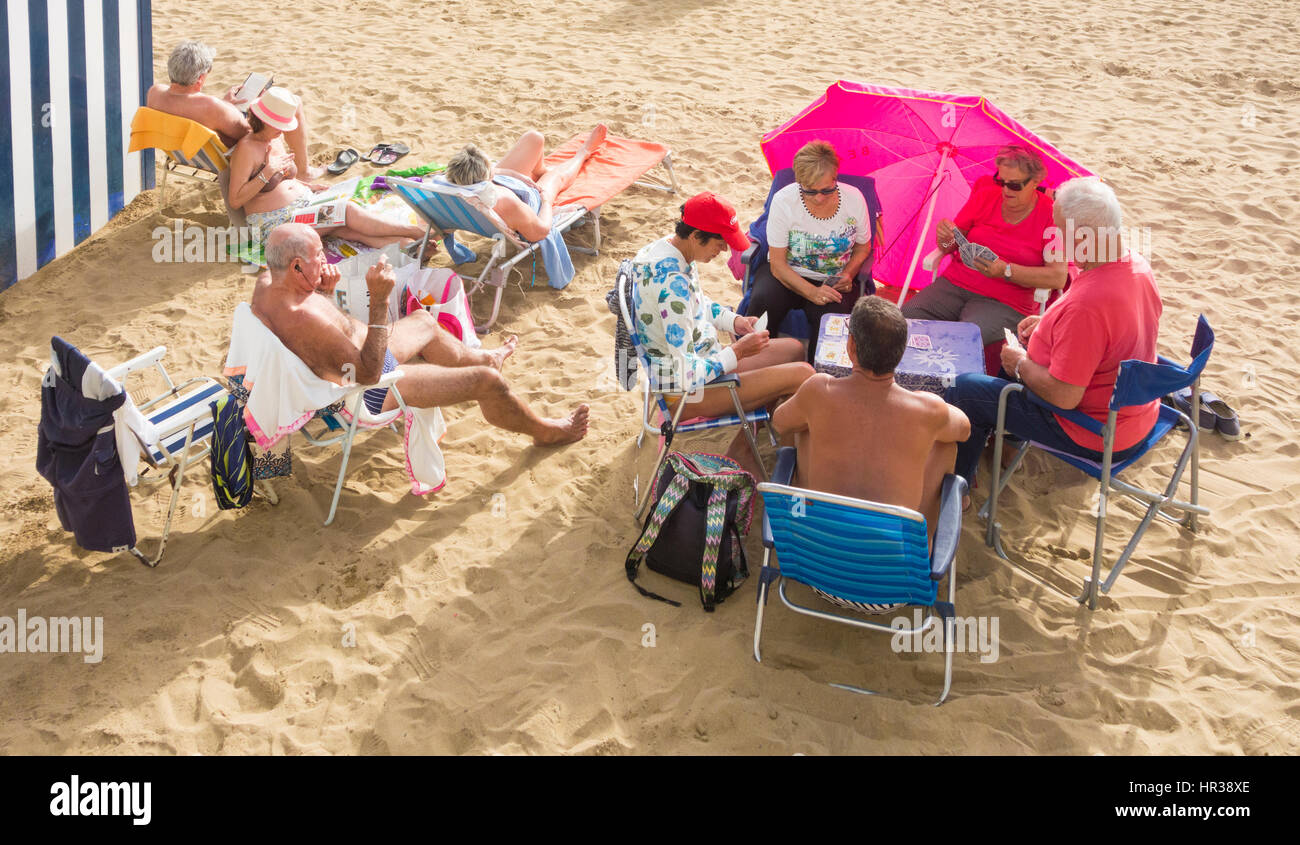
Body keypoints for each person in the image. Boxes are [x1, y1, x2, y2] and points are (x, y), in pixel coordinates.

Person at [251, 224, 589, 446]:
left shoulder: (269, 282)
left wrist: (323, 291)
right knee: (488, 383)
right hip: (365, 391)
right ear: (295, 266)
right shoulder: (303, 318)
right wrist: (381, 299)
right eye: (319, 257)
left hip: (357, 358)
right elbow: (368, 373)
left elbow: (321, 342)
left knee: (424, 321)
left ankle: (486, 357)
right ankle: (545, 431)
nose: (326, 262)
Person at [943, 177, 1161, 489]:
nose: (1056, 240)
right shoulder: (1136, 266)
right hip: (1136, 415)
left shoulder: (1090, 304)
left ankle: (957, 489)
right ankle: (1001, 446)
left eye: (1060, 231)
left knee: (966, 390)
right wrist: (1048, 324)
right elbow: (1105, 335)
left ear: (1083, 235)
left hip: (1092, 430)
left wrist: (1019, 364)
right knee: (995, 378)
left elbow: (1064, 395)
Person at [631, 192, 813, 476]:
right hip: (688, 393)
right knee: (803, 373)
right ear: (695, 235)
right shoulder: (672, 283)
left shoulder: (668, 251)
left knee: (793, 350)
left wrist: (735, 321)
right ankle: (791, 462)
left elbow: (697, 303)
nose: (724, 251)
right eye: (720, 243)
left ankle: (744, 440)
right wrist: (738, 352)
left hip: (705, 363)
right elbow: (687, 376)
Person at [773, 296, 969, 538]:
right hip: (890, 563)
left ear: (851, 345)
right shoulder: (927, 409)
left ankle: (805, 511)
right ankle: (924, 539)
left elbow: (779, 422)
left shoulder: (818, 391)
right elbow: (964, 430)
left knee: (802, 424)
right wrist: (929, 404)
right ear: (901, 351)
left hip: (819, 550)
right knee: (946, 445)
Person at [902, 145, 1067, 345]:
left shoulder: (1050, 215)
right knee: (905, 318)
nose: (1005, 190)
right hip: (955, 285)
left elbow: (1058, 277)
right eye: (1001, 181)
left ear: (1035, 182)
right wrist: (944, 236)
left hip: (1005, 301)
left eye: (1014, 185)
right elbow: (949, 246)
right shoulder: (986, 196)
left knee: (963, 339)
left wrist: (1006, 271)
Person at [230, 88, 427, 250]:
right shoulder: (246, 149)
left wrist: (307, 185)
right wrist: (267, 172)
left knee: (348, 229)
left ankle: (409, 247)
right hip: (276, 224)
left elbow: (282, 180)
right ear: (264, 121)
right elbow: (236, 200)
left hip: (302, 206)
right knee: (347, 211)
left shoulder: (274, 138)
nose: (283, 130)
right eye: (278, 125)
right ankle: (414, 232)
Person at [743, 140, 877, 363]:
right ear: (799, 182)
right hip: (786, 273)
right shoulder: (785, 201)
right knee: (763, 301)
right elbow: (777, 264)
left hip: (831, 278)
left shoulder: (854, 199)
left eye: (827, 189)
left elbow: (864, 247)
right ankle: (754, 368)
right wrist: (811, 292)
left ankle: (818, 378)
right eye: (810, 190)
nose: (819, 197)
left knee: (830, 321)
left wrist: (849, 274)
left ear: (836, 178)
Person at [146, 40, 322, 178]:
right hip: (229, 157)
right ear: (200, 79)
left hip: (185, 154)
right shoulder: (213, 107)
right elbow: (253, 133)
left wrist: (226, 105)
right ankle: (304, 172)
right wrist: (259, 102)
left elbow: (195, 112)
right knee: (295, 103)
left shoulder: (154, 93)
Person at [443, 126, 609, 242]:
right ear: (485, 178)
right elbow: (540, 232)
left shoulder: (447, 188)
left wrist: (511, 174)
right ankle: (584, 152)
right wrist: (546, 201)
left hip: (503, 183)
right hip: (527, 199)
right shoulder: (507, 202)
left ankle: (540, 170)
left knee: (534, 138)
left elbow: (492, 172)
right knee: (556, 176)